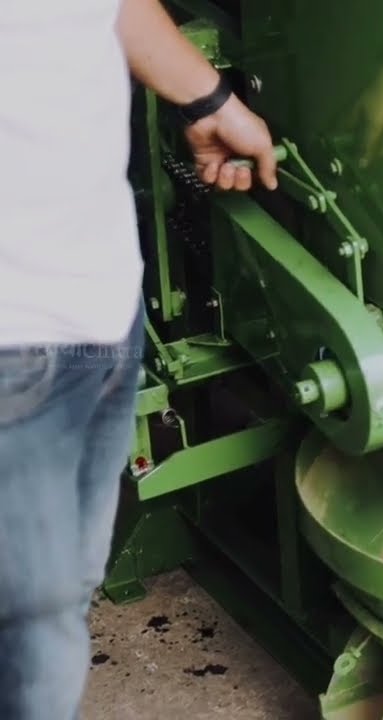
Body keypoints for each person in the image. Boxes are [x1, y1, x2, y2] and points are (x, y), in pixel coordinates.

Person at [0, 1, 279, 718]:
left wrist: (207, 98)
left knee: (64, 585)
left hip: (99, 297)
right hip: (13, 334)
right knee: (35, 627)